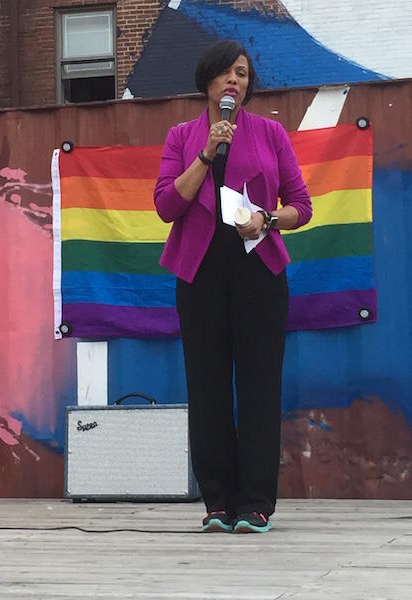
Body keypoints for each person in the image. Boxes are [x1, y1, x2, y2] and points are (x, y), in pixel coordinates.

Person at [153, 40, 312, 533]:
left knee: (260, 387)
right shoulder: (183, 137)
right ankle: (218, 502)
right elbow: (166, 205)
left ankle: (256, 503)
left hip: (259, 275)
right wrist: (206, 153)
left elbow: (301, 206)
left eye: (242, 75)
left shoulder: (270, 133)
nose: (234, 82)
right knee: (208, 388)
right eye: (225, 74)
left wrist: (267, 219)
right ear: (207, 82)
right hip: (200, 277)